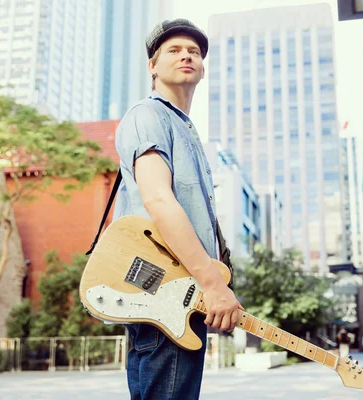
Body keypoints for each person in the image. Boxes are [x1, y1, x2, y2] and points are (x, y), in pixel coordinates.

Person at [112, 19, 242, 400]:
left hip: (181, 292)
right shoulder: (149, 115)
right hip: (165, 292)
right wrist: (212, 282)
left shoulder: (184, 129)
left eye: (195, 52)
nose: (187, 55)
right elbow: (158, 200)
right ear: (152, 66)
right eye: (174, 50)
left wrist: (216, 284)